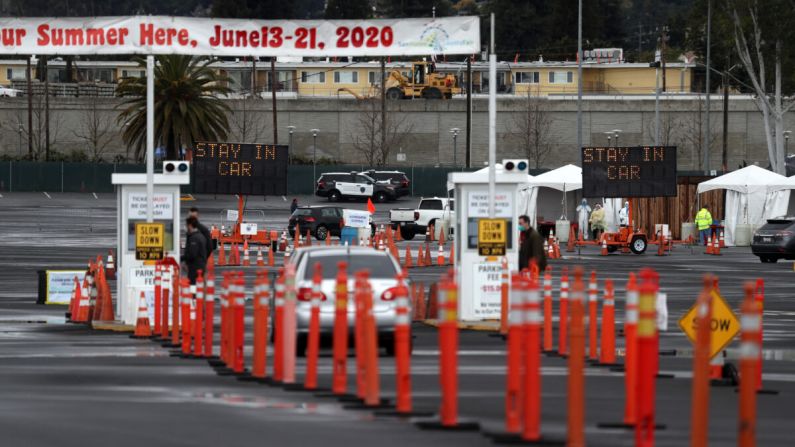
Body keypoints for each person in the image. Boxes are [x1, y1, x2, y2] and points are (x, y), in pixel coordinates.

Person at [183, 216, 208, 284]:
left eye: (186, 225)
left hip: (195, 267)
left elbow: (192, 254)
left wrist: (182, 258)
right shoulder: (201, 236)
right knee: (198, 287)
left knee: (193, 286)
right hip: (201, 265)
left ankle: (193, 295)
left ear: (190, 225)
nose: (186, 227)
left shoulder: (194, 238)